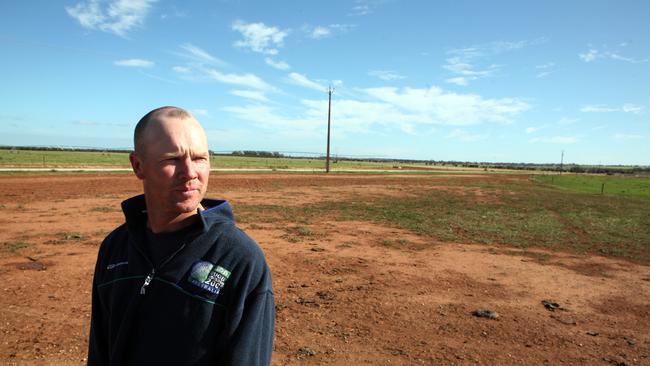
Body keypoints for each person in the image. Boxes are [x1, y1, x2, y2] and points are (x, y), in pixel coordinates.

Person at [87, 106, 275, 365]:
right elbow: (100, 350)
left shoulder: (238, 259)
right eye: (172, 159)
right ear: (138, 165)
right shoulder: (115, 247)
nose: (190, 173)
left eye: (199, 158)